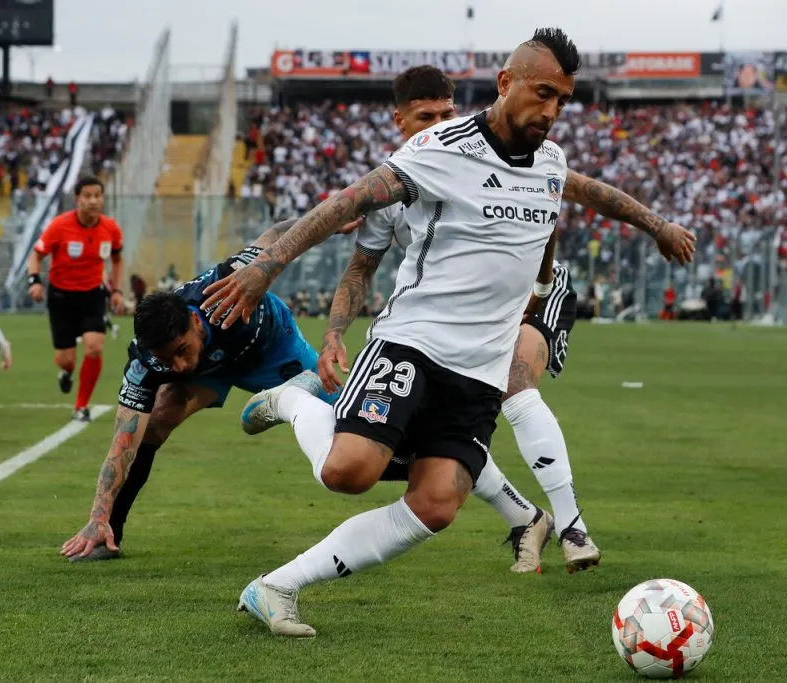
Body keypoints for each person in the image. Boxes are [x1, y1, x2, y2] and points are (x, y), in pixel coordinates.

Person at [203, 28, 695, 638]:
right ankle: (293, 400)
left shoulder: (551, 160)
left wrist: (656, 224)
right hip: (415, 343)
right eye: (543, 93)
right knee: (346, 473)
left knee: (436, 505)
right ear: (506, 83)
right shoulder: (440, 148)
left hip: (481, 370)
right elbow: (345, 204)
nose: (551, 111)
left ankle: (276, 587)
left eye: (562, 100)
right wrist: (264, 268)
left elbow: (593, 194)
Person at [319, 65, 694, 573]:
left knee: (515, 381)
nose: (438, 121)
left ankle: (571, 524)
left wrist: (655, 224)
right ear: (400, 121)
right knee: (433, 433)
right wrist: (334, 332)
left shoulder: (483, 150)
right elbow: (361, 268)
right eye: (425, 115)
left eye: (446, 112)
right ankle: (525, 517)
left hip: (538, 288)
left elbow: (572, 193)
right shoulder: (397, 187)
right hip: (460, 323)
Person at [58, 220, 343, 562]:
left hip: (274, 349)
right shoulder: (145, 363)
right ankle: (110, 536)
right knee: (156, 420)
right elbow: (122, 444)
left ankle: (299, 388)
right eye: (166, 359)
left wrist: (329, 218)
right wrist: (97, 517)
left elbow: (276, 234)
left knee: (345, 421)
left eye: (180, 350)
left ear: (194, 322)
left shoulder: (227, 283)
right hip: (213, 368)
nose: (177, 366)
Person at [27, 176, 125, 422]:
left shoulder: (110, 228)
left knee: (94, 347)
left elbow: (116, 259)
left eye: (97, 195)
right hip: (61, 298)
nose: (93, 201)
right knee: (66, 360)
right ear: (78, 200)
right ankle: (66, 372)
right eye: (88, 196)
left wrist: (115, 290)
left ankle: (81, 406)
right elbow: (36, 256)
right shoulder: (59, 226)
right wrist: (35, 281)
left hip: (92, 295)